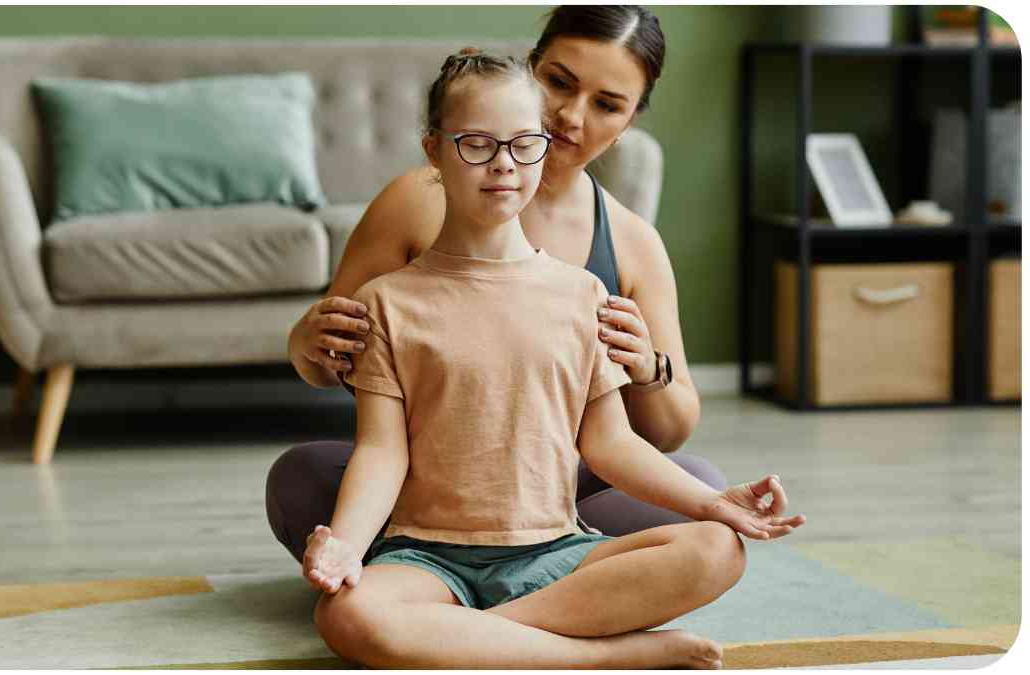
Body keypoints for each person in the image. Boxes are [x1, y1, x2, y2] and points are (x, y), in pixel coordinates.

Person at [303, 48, 806, 669]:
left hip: (555, 551)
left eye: (523, 144)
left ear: (544, 145)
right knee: (346, 614)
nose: (503, 166)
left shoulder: (583, 295)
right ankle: (608, 657)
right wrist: (349, 547)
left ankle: (466, 640)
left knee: (717, 549)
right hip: (426, 556)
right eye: (476, 144)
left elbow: (610, 445)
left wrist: (714, 504)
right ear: (433, 150)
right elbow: (382, 451)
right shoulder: (387, 302)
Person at [269, 5, 722, 566]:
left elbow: (670, 433)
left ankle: (464, 589)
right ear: (529, 69)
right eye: (559, 82)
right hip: (426, 481)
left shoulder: (633, 243)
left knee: (699, 482)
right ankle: (557, 587)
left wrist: (648, 370)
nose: (570, 116)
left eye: (607, 105)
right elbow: (336, 362)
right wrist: (303, 345)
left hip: (562, 488)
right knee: (300, 478)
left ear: (630, 121)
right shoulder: (416, 199)